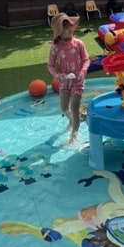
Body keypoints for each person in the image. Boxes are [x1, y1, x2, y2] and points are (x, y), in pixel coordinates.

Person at [47, 12, 90, 146]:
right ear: (59, 32)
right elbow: (50, 65)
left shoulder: (78, 44)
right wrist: (57, 75)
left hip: (78, 80)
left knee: (74, 106)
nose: (69, 30)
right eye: (65, 28)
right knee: (64, 108)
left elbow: (86, 60)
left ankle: (74, 135)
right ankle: (72, 119)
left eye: (69, 26)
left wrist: (83, 71)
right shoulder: (55, 47)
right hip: (64, 81)